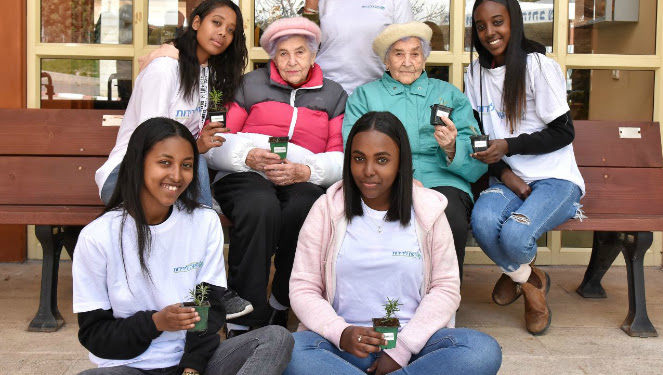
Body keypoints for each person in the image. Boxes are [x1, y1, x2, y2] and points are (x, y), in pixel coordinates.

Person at [284, 112, 502, 375]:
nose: (368, 171)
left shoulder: (428, 210)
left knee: (481, 351)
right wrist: (341, 333)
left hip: (415, 347)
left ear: (400, 163)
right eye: (358, 158)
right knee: (288, 350)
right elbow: (303, 287)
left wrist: (401, 350)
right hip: (344, 348)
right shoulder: (327, 209)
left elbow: (445, 289)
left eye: (382, 160)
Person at [73, 118, 293, 375]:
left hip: (194, 364)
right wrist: (155, 323)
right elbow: (95, 334)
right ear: (138, 163)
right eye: (165, 163)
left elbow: (206, 308)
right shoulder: (98, 236)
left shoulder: (203, 222)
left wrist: (192, 368)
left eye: (186, 165)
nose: (177, 176)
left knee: (276, 339)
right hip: (129, 367)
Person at [203, 17, 347, 337]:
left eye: (300, 52)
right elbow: (215, 140)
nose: (292, 61)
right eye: (283, 53)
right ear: (272, 56)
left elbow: (341, 156)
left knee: (306, 208)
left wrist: (307, 171)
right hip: (245, 173)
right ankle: (245, 314)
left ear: (313, 55)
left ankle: (281, 302)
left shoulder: (334, 95)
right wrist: (247, 156)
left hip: (302, 177)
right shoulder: (249, 84)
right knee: (259, 206)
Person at [465, 0, 586, 335]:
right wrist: (508, 175)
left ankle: (515, 275)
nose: (490, 32)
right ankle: (531, 280)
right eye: (481, 25)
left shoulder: (538, 66)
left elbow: (564, 132)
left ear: (514, 22)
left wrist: (510, 146)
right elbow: (478, 136)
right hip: (509, 178)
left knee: (516, 236)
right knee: (483, 222)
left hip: (555, 179)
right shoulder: (474, 73)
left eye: (498, 22)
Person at [344, 22, 487, 280]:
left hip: (443, 177)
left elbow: (479, 151)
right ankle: (390, 299)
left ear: (424, 59)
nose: (408, 62)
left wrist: (453, 147)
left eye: (415, 54)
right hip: (384, 181)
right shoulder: (364, 97)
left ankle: (445, 297)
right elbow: (353, 149)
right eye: (399, 54)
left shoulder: (450, 95)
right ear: (386, 61)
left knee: (449, 214)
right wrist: (401, 179)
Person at [96, 0, 246, 209]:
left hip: (176, 175)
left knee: (194, 162)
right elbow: (150, 138)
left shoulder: (208, 75)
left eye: (230, 30)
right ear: (196, 23)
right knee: (193, 162)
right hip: (129, 172)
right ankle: (202, 220)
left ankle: (201, 221)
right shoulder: (163, 70)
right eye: (216, 23)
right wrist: (195, 147)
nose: (223, 33)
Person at [300, 0, 413, 94]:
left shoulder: (398, 2)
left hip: (375, 92)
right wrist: (310, 8)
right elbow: (307, 44)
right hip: (325, 90)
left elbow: (407, 47)